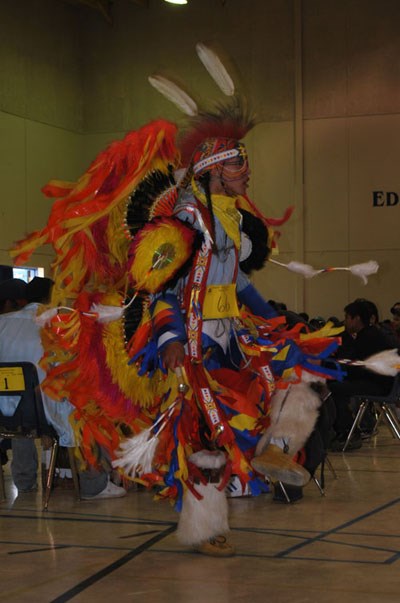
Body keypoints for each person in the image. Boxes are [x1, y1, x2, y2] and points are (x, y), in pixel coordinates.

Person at [0, 277, 126, 499]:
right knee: (86, 406)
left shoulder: (2, 323)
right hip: (42, 411)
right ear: (52, 298)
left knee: (20, 402)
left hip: (5, 414)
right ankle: (93, 484)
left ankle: (24, 480)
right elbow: (67, 368)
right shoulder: (55, 321)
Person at [328, 299, 395, 450]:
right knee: (337, 385)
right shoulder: (371, 334)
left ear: (356, 318)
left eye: (347, 317)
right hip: (381, 382)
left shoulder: (368, 337)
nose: (345, 321)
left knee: (335, 388)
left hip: (378, 384)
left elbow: (357, 366)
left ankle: (348, 432)